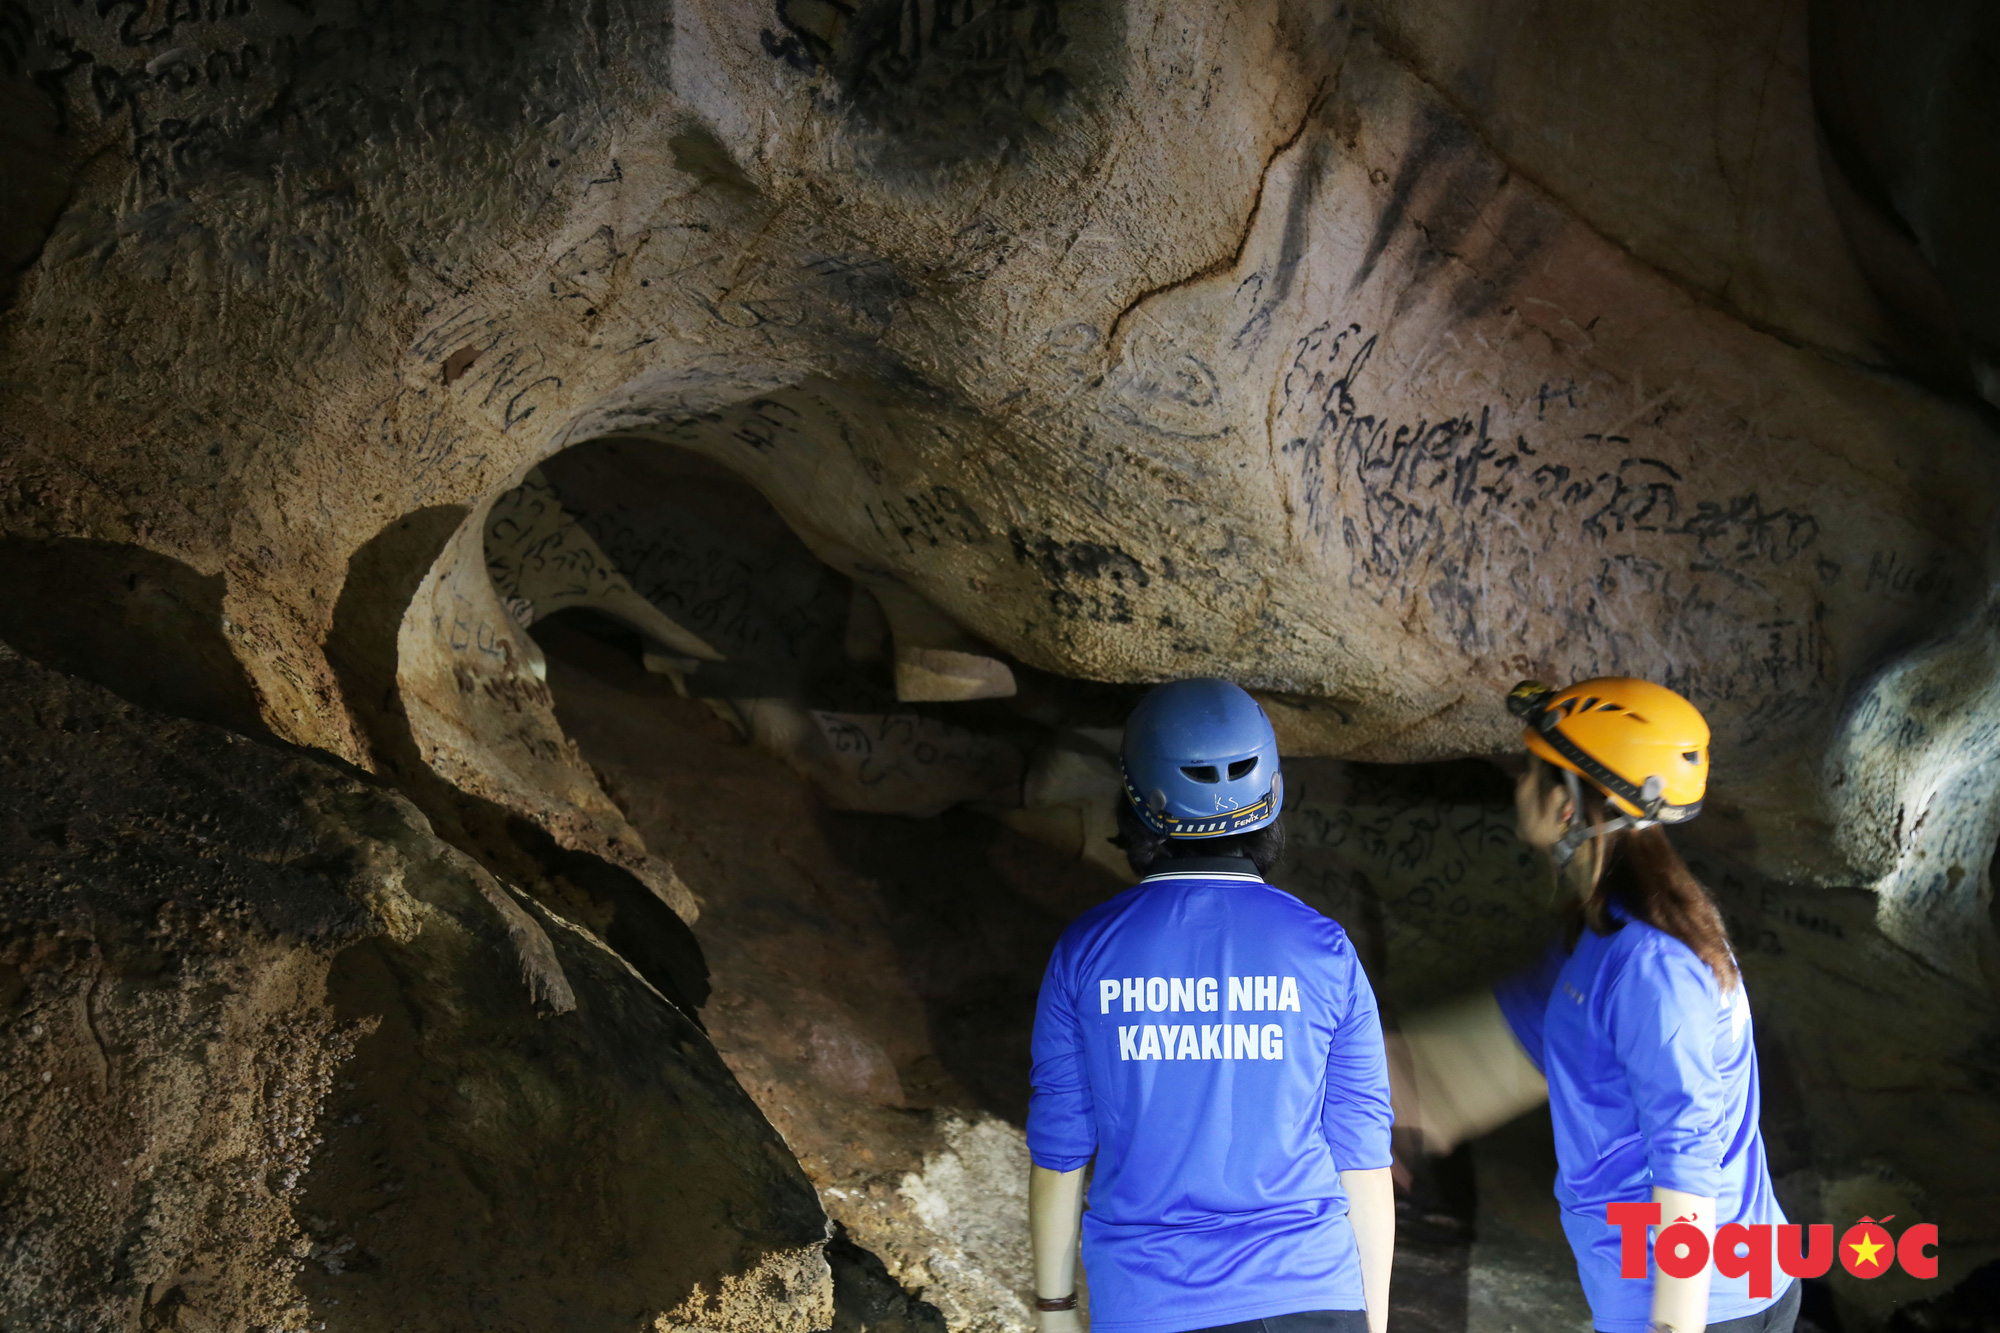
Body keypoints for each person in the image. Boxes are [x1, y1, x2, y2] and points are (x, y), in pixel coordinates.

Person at [1390, 678, 1795, 1333]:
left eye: (1533, 772)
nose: (1519, 785)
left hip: (1703, 1307)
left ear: (1569, 805)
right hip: (1702, 1291)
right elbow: (1506, 1046)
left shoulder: (1651, 964)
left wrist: (1674, 1327)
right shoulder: (1611, 932)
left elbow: (1686, 1151)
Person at [1025, 679, 1395, 1333]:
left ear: (1134, 800)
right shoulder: (1324, 950)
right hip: (1313, 1295)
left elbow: (1060, 1149)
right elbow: (1361, 1156)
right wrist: (1374, 1321)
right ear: (1272, 797)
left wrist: (1055, 1309)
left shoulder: (1086, 951)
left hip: (1149, 1304)